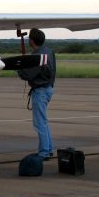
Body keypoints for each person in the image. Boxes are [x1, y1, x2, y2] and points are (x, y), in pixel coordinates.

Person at [17, 28, 56, 160]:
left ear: (32, 41)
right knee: (43, 122)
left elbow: (27, 74)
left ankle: (44, 152)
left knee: (39, 123)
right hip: (48, 88)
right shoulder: (49, 52)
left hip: (40, 91)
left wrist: (19, 67)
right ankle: (49, 149)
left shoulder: (37, 56)